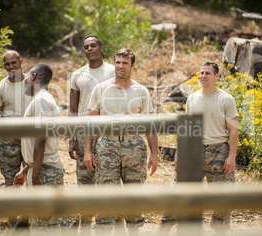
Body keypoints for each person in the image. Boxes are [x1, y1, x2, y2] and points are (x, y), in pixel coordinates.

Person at [84, 48, 158, 234]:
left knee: (134, 198)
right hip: (106, 145)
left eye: (125, 63)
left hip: (134, 146)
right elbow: (90, 122)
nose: (120, 66)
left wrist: (155, 154)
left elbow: (150, 126)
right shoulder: (101, 89)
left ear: (133, 65)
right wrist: (87, 151)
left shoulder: (141, 91)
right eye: (117, 62)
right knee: (106, 198)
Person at [184, 61, 239, 232]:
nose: (203, 76)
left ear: (217, 76)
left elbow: (233, 130)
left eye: (207, 73)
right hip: (195, 151)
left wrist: (231, 156)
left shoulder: (226, 99)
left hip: (219, 151)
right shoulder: (192, 98)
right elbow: (187, 129)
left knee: (222, 197)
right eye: (201, 73)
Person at [68, 35, 114, 229]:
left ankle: (108, 223)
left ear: (101, 48)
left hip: (107, 132)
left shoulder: (113, 71)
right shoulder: (77, 75)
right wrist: (71, 138)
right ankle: (85, 223)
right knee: (84, 178)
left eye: (93, 45)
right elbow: (72, 109)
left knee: (108, 177)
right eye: (86, 47)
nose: (89, 49)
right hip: (83, 131)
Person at [13, 63, 64, 232]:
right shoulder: (42, 99)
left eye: (27, 76)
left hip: (45, 172)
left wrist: (35, 175)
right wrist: (28, 169)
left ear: (34, 76)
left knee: (41, 228)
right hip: (42, 168)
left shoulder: (42, 100)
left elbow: (41, 139)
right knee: (46, 225)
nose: (25, 80)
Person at [0, 50, 31, 187]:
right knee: (11, 181)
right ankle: (12, 208)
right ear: (4, 66)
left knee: (34, 177)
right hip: (8, 142)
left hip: (31, 137)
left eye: (14, 62)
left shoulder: (34, 84)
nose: (11, 66)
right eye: (7, 64)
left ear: (21, 61)